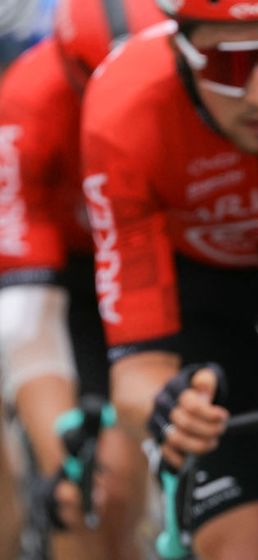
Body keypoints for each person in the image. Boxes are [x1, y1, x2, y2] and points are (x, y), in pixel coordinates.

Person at [80, 0, 258, 557]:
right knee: (246, 544)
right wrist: (171, 409)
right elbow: (137, 372)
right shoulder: (122, 112)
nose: (257, 95)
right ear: (180, 49)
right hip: (204, 301)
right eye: (225, 67)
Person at [0, 1, 165, 558]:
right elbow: (29, 316)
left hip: (154, 260)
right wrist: (63, 456)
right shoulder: (27, 102)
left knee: (122, 484)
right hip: (63, 278)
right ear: (69, 70)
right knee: (87, 489)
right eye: (98, 90)